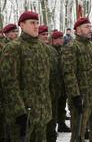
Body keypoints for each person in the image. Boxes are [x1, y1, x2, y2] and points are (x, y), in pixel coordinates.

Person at [0, 11, 52, 141]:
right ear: (22, 25)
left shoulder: (43, 48)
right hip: (23, 115)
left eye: (37, 23)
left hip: (41, 113)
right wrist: (19, 112)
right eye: (32, 23)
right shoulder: (14, 48)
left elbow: (45, 81)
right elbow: (9, 83)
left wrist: (46, 109)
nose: (36, 26)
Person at [61, 17, 92, 142]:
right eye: (87, 27)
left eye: (90, 26)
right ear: (78, 30)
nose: (90, 29)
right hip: (81, 98)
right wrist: (75, 96)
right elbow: (69, 74)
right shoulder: (71, 47)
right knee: (78, 131)